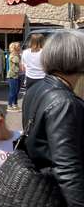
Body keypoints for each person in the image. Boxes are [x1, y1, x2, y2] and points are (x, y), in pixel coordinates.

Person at [22, 30, 84, 206]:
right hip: (54, 193)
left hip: (38, 188)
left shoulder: (37, 88)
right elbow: (67, 167)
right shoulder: (64, 102)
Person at [6, 42, 22, 111]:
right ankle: (9, 105)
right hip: (12, 76)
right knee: (13, 91)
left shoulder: (17, 55)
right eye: (18, 46)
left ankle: (15, 104)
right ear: (15, 48)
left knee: (16, 91)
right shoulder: (13, 55)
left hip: (17, 75)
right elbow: (18, 62)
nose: (20, 47)